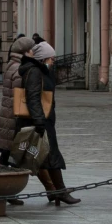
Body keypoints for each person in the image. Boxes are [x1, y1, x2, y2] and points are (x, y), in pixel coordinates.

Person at [17, 40, 76, 204]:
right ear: (43, 59)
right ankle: (60, 192)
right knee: (48, 156)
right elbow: (33, 98)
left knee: (47, 157)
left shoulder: (40, 71)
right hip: (40, 120)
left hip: (43, 119)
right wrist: (39, 121)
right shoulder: (35, 72)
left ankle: (56, 191)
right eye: (51, 58)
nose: (53, 61)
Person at [0, 33, 38, 164]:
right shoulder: (19, 69)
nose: (33, 53)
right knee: (9, 155)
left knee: (8, 155)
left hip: (7, 113)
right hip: (14, 116)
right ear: (25, 51)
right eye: (31, 50)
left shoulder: (11, 64)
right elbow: (20, 94)